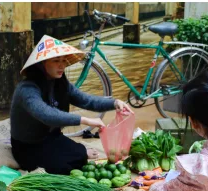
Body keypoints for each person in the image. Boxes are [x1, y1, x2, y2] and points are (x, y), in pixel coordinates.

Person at [10, 36, 134, 174]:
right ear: (41, 64)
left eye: (64, 61)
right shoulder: (26, 89)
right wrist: (84, 120)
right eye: (56, 61)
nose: (62, 65)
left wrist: (115, 103)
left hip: (52, 138)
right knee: (63, 168)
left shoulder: (61, 84)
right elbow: (46, 114)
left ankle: (77, 152)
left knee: (80, 158)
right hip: (28, 146)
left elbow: (86, 100)